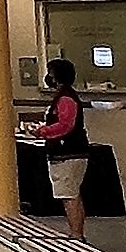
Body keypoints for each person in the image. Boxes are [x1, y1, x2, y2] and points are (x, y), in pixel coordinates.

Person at [24, 57, 95, 238]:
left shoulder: (66, 98)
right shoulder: (62, 97)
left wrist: (42, 131)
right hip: (67, 152)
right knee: (72, 193)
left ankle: (76, 234)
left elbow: (65, 125)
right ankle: (76, 233)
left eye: (51, 73)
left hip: (68, 153)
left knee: (69, 195)